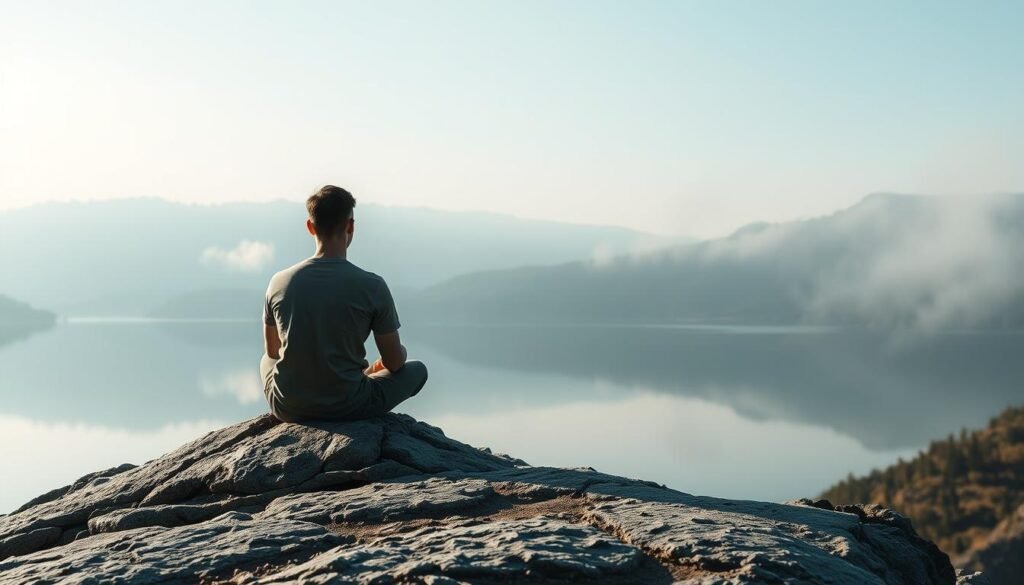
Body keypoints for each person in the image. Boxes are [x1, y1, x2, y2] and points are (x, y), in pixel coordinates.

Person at [259, 185, 427, 422]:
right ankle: (360, 378)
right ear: (350, 226)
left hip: (289, 407)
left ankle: (353, 380)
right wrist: (401, 352)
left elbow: (273, 351)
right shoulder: (372, 286)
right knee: (417, 370)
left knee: (266, 361)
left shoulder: (279, 282)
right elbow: (395, 363)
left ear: (310, 227)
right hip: (349, 407)